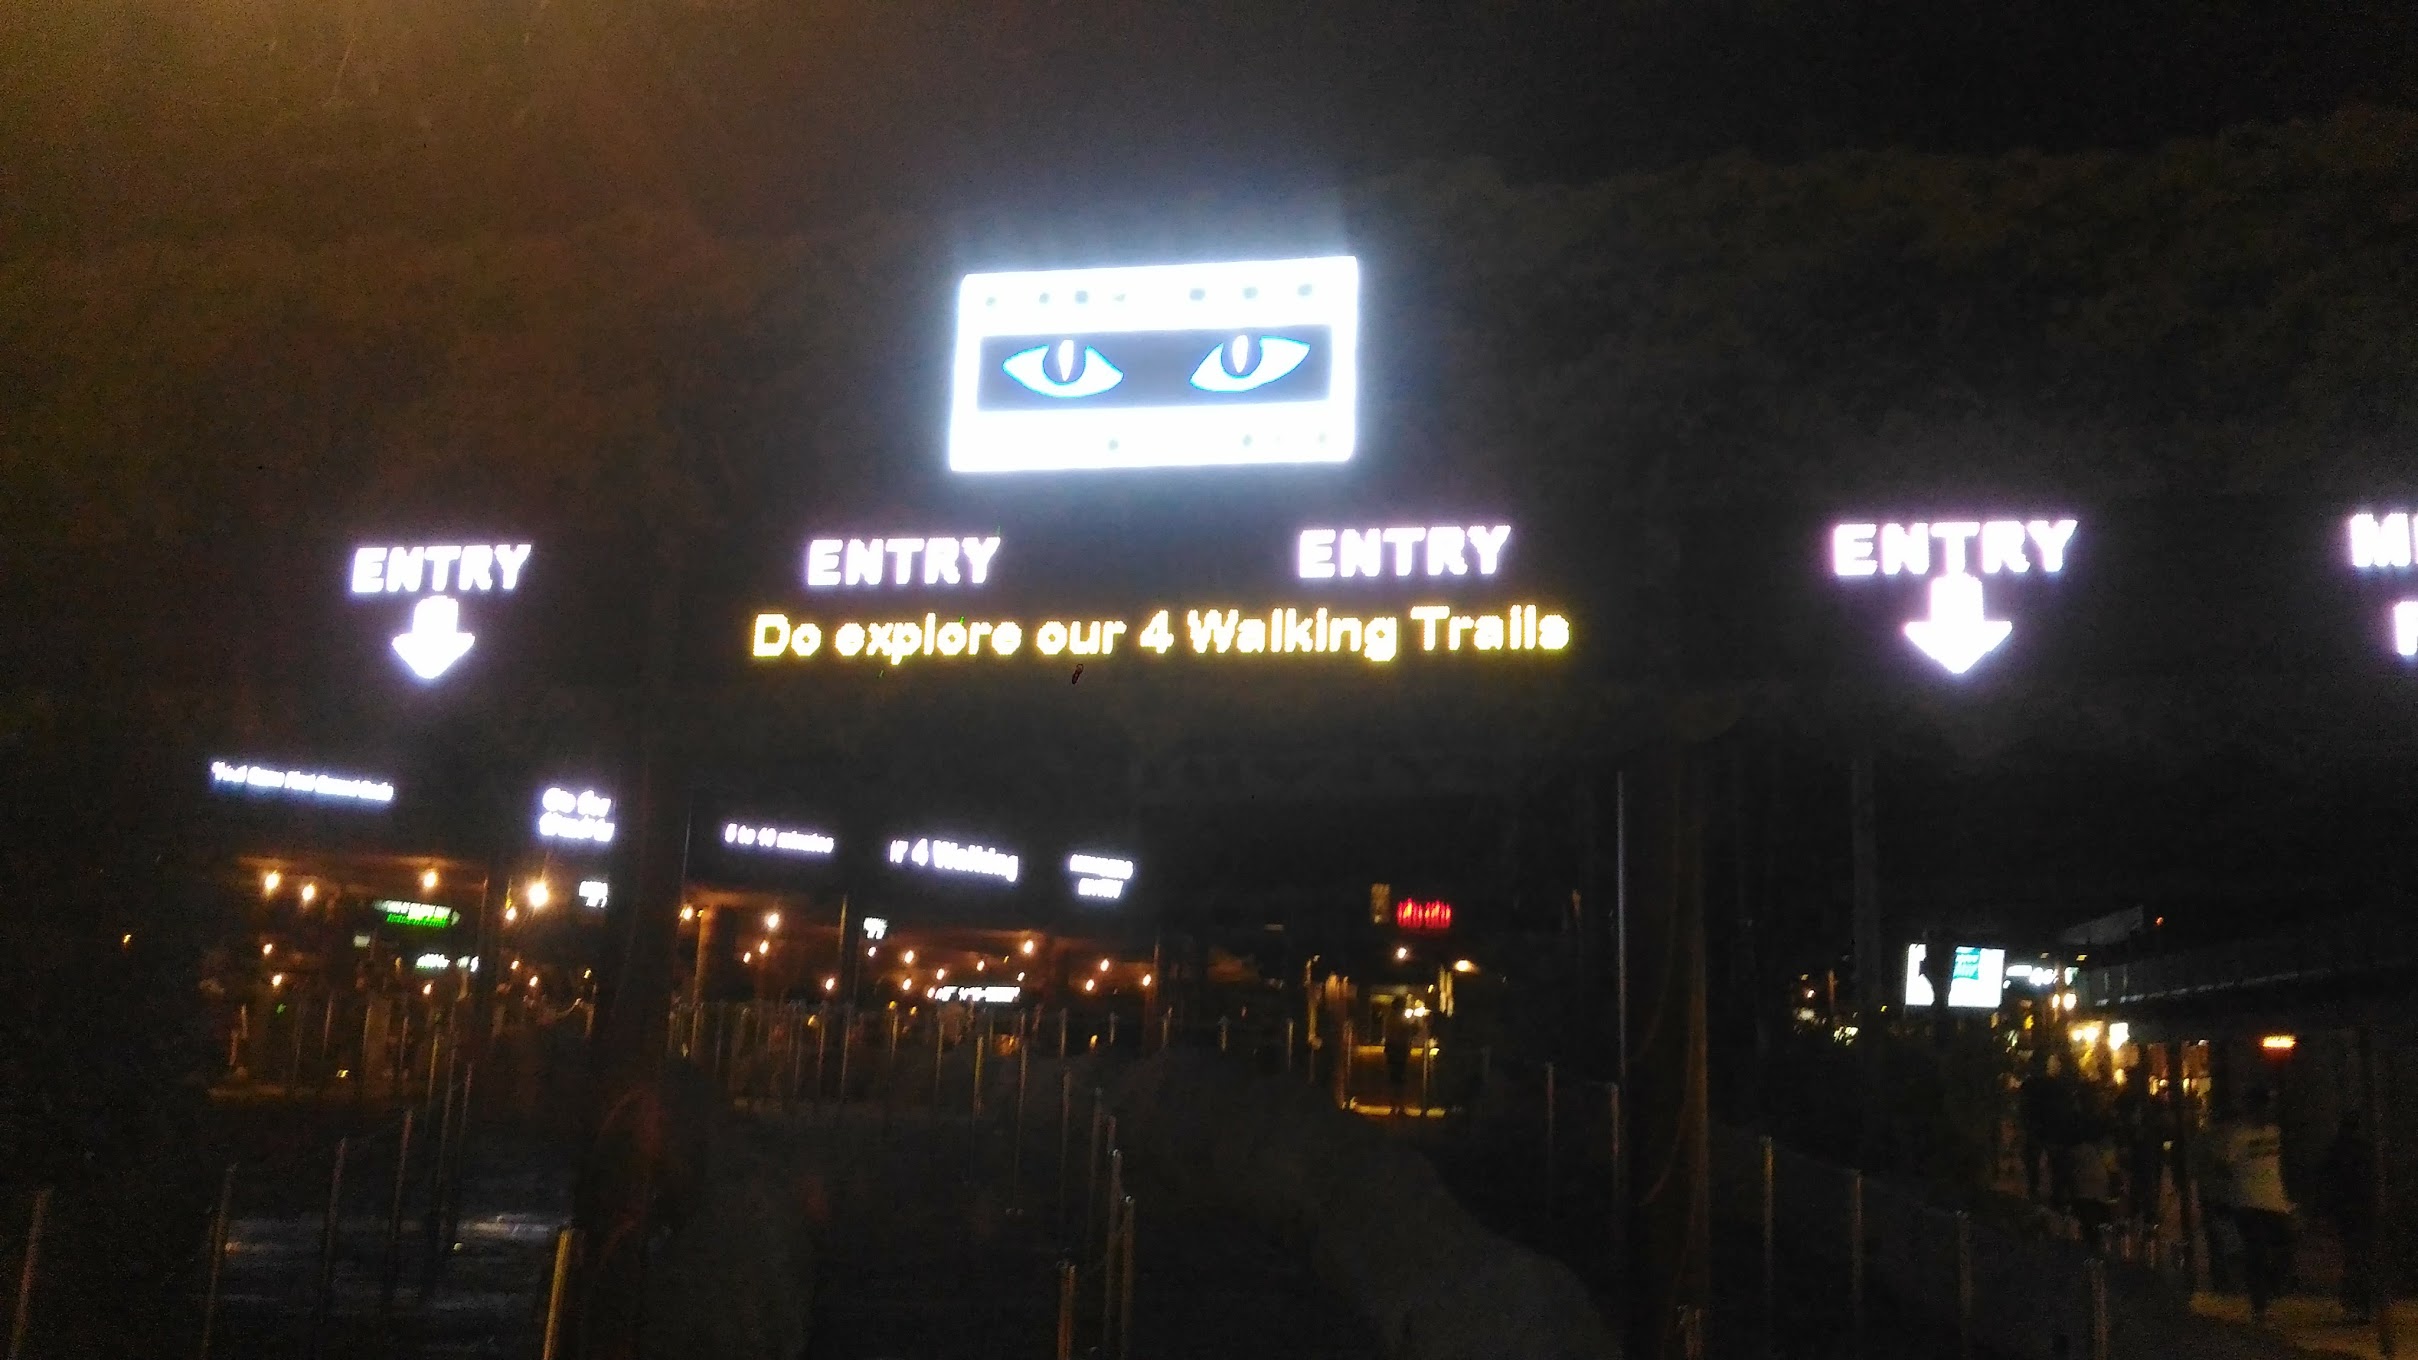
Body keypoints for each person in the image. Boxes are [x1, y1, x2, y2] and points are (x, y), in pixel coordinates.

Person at [2218, 1087, 2295, 1323]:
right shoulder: (2238, 1136)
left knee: (2285, 1245)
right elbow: (2224, 1163)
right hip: (2248, 1201)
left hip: (2274, 1200)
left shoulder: (2274, 1132)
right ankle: (2259, 1302)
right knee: (2256, 1251)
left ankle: (2270, 1288)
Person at [2321, 1109, 2378, 1324]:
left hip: (2347, 1209)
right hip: (2361, 1208)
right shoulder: (2364, 1150)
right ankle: (2362, 1303)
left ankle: (2356, 1303)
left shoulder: (2336, 1151)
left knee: (2353, 1255)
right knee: (2361, 1255)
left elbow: (2327, 1182)